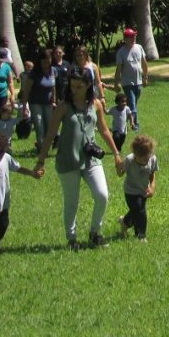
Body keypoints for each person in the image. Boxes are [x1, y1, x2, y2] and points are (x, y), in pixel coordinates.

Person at [36, 67, 119, 250]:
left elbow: (104, 130)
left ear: (89, 85)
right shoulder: (64, 106)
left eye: (80, 86)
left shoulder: (96, 104)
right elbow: (50, 134)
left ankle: (94, 233)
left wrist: (116, 154)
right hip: (68, 159)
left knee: (102, 195)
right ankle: (72, 239)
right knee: (72, 202)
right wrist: (41, 160)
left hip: (91, 159)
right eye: (73, 86)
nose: (75, 89)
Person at [115, 133, 158, 241]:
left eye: (147, 158)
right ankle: (141, 235)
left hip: (144, 190)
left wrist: (152, 187)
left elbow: (152, 175)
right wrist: (118, 166)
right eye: (142, 160)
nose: (145, 162)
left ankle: (124, 222)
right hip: (131, 190)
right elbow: (120, 174)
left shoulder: (152, 159)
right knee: (140, 209)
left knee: (136, 211)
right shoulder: (129, 160)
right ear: (135, 155)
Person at [20, 50, 58, 151]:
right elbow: (26, 90)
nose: (46, 64)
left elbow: (53, 87)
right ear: (40, 62)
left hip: (48, 103)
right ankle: (42, 149)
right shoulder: (33, 74)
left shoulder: (53, 71)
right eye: (44, 62)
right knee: (39, 125)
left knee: (49, 126)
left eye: (48, 61)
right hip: (35, 103)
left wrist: (54, 101)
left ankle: (46, 146)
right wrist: (24, 106)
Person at [112, 28, 148, 129]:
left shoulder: (139, 48)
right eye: (131, 37)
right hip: (127, 83)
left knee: (132, 104)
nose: (134, 38)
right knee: (132, 105)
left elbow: (144, 63)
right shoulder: (121, 52)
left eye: (134, 36)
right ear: (126, 38)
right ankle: (135, 125)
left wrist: (145, 77)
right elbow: (118, 69)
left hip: (138, 81)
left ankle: (121, 121)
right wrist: (116, 83)